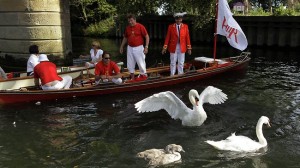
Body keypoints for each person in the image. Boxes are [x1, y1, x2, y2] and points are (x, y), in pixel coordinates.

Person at [119, 14, 149, 81]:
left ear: (135, 20)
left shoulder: (140, 26)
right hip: (130, 47)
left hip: (139, 47)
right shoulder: (127, 28)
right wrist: (121, 46)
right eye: (129, 21)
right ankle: (132, 77)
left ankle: (143, 75)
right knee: (130, 63)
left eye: (131, 20)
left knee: (141, 62)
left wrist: (146, 47)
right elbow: (125, 38)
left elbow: (147, 36)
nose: (130, 22)